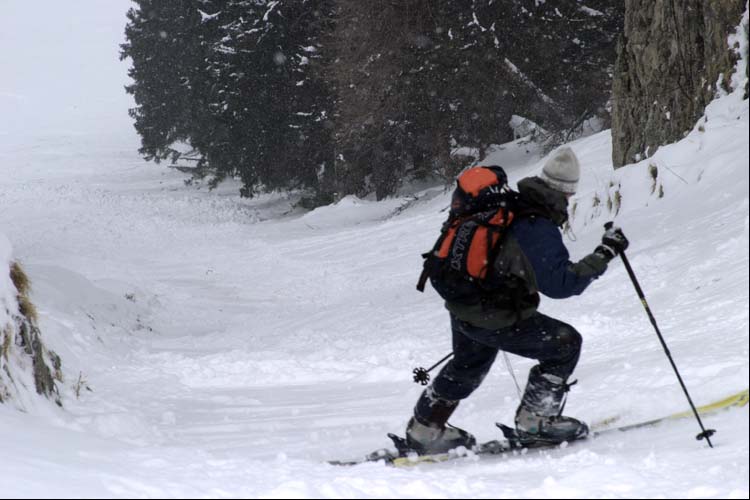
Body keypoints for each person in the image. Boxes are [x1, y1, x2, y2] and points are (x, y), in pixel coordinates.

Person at [405, 146, 630, 454]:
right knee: (564, 345)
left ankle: (424, 430)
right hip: (492, 313)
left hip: (464, 303)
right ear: (567, 193)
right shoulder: (536, 225)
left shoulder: (510, 204)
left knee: (468, 365)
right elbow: (562, 285)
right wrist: (604, 254)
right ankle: (536, 423)